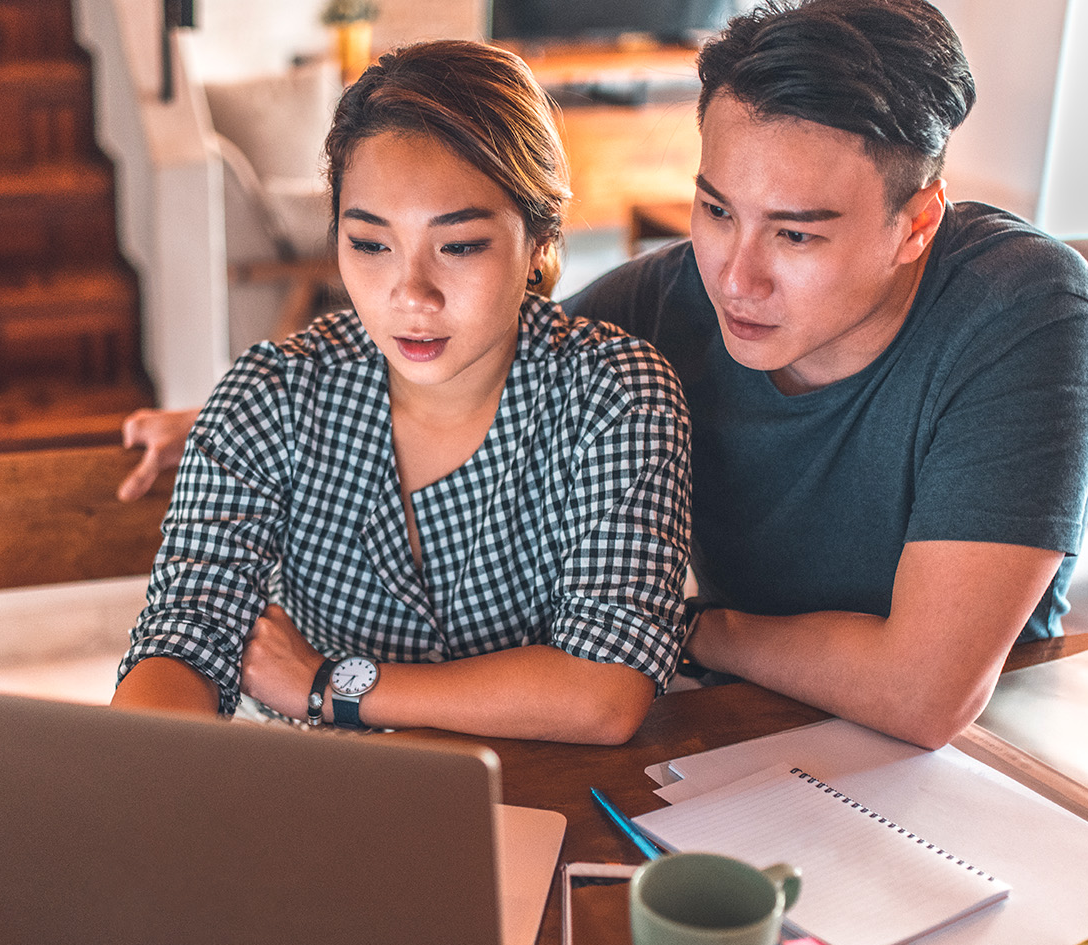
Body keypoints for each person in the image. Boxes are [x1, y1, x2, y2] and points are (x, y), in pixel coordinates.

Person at [116, 0, 1088, 751]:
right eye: (715, 209)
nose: (735, 277)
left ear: (917, 223)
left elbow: (925, 694)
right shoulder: (667, 303)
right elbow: (475, 349)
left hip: (982, 754)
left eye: (796, 235)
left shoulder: (1020, 309)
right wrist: (232, 418)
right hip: (740, 733)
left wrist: (685, 631)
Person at [110, 40, 691, 745]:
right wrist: (139, 767)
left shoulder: (615, 395)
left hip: (539, 788)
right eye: (370, 244)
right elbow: (185, 635)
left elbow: (605, 690)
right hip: (322, 788)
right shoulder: (271, 396)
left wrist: (331, 686)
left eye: (460, 245)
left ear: (540, 239)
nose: (411, 295)